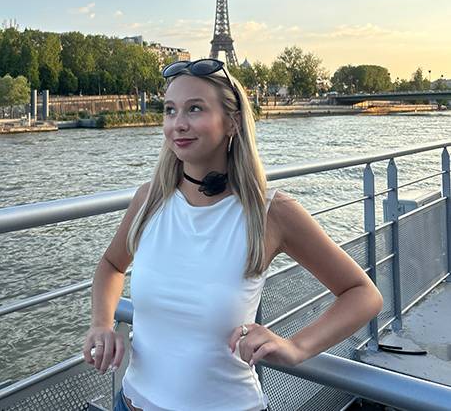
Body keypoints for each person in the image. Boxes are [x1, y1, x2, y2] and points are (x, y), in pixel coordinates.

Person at [83, 59, 384, 411]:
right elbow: (111, 265)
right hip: (130, 403)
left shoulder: (269, 212)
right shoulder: (149, 200)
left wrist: (295, 347)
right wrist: (102, 324)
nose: (177, 124)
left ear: (233, 122)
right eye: (169, 110)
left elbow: (363, 294)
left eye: (194, 109)